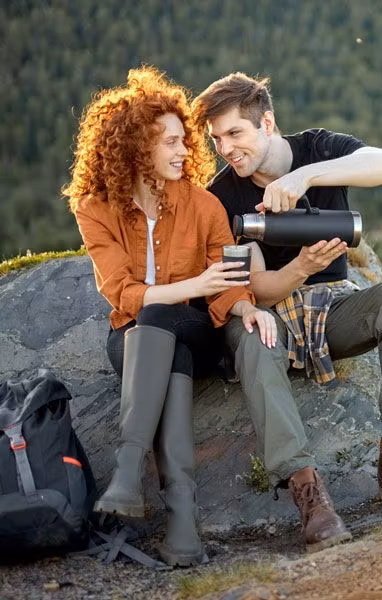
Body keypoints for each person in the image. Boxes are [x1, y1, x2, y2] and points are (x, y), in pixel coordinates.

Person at [191, 73, 382, 553]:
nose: (226, 148)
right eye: (216, 139)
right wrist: (303, 266)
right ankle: (309, 493)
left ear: (267, 123)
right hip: (277, 315)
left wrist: (306, 175)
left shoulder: (320, 147)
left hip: (335, 309)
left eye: (235, 134)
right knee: (250, 338)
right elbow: (257, 287)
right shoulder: (223, 197)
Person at [63, 67, 276, 567]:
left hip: (198, 328)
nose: (186, 152)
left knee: (168, 322)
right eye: (172, 142)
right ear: (137, 147)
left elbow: (228, 284)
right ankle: (183, 524)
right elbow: (121, 292)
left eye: (185, 141)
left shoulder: (204, 205)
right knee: (159, 331)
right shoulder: (95, 207)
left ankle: (129, 466)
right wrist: (191, 285)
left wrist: (240, 304)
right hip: (136, 336)